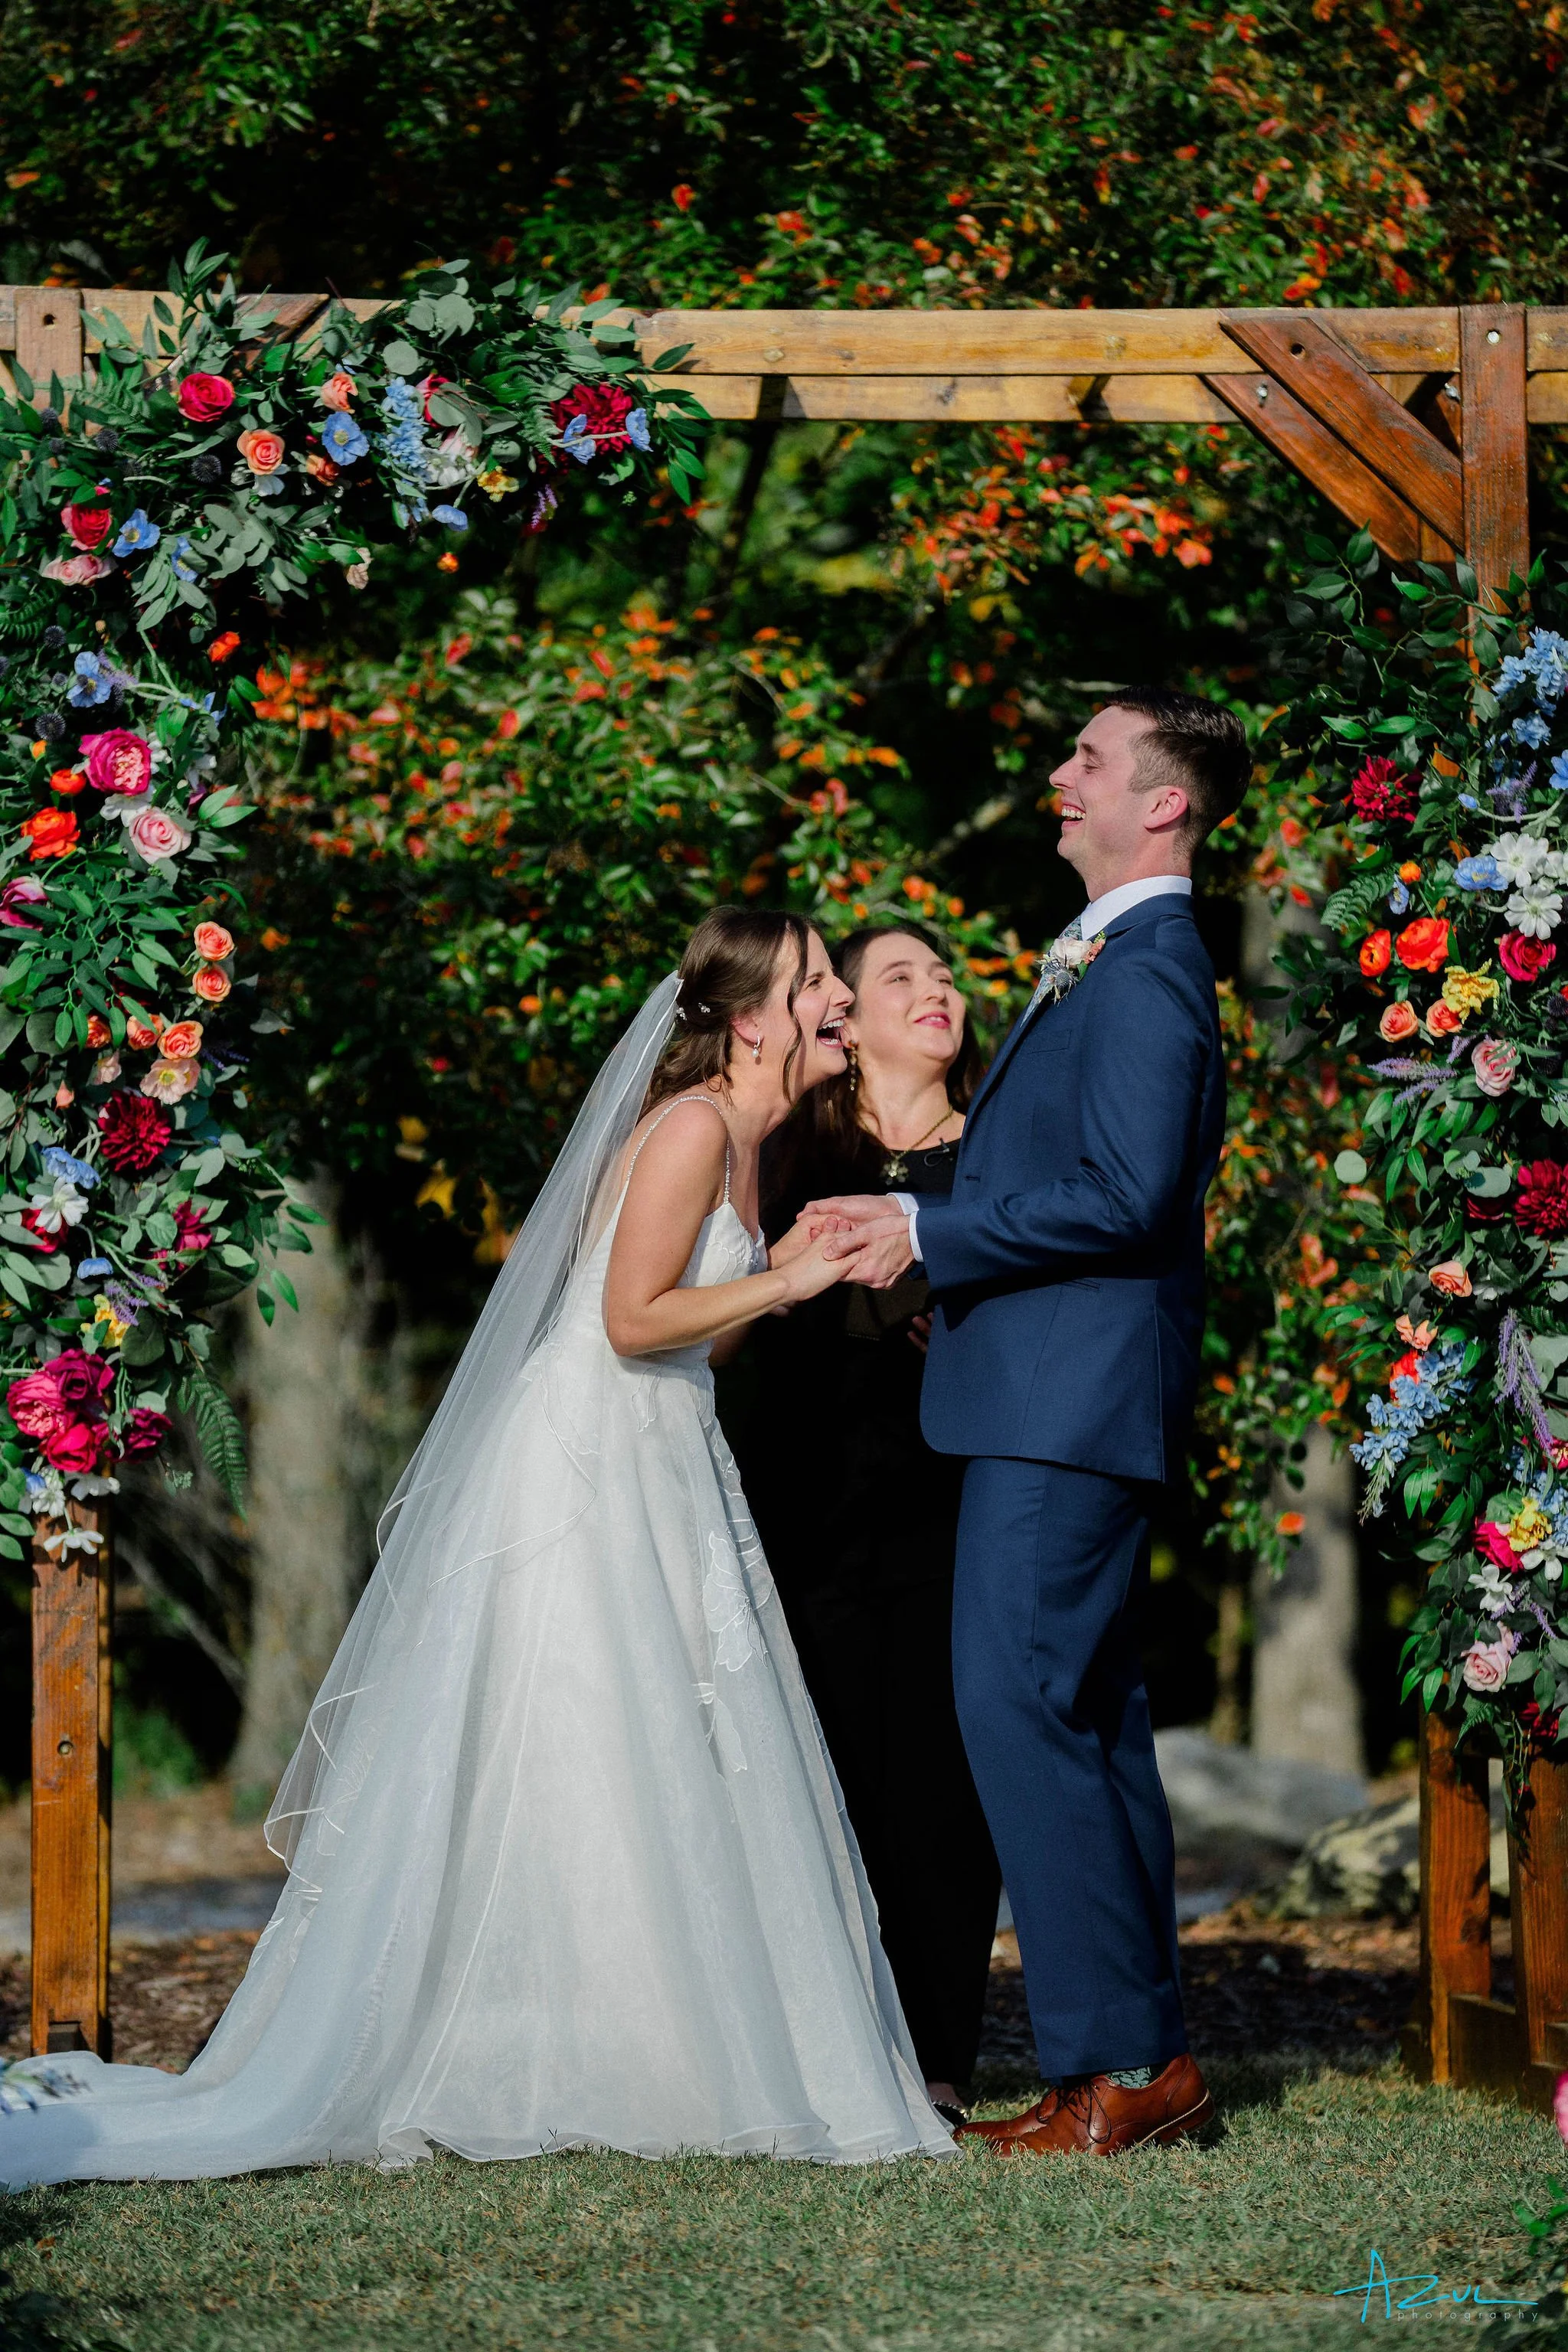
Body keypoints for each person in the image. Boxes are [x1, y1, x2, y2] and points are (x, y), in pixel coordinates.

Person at [0, 910, 956, 2184]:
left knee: (659, 1736)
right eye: (821, 984)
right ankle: (552, 2043)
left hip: (666, 1452)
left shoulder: (747, 1139)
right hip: (587, 1462)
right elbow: (626, 1321)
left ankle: (641, 2040)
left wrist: (776, 1260)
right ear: (750, 1018)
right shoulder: (687, 1126)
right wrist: (785, 1286)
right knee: (579, 1727)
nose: (840, 1001)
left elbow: (695, 1334)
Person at [802, 688, 1250, 2157]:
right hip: (1051, 1382)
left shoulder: (1146, 974)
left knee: (1016, 1706)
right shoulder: (1114, 964)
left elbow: (1129, 1197)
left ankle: (1114, 2068)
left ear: (1162, 804)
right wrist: (954, 1262)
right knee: (1093, 1721)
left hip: (1067, 1407)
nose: (1060, 777)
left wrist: (931, 1234)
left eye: (1090, 759)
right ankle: (1134, 2068)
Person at [740, 923, 1000, 2127]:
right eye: (902, 975)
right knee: (818, 1767)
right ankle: (822, 2040)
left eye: (944, 977)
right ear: (849, 1021)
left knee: (943, 1783)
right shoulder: (794, 1149)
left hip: (960, 1504)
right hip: (807, 1498)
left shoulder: (1001, 1157)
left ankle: (938, 2054)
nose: (935, 990)